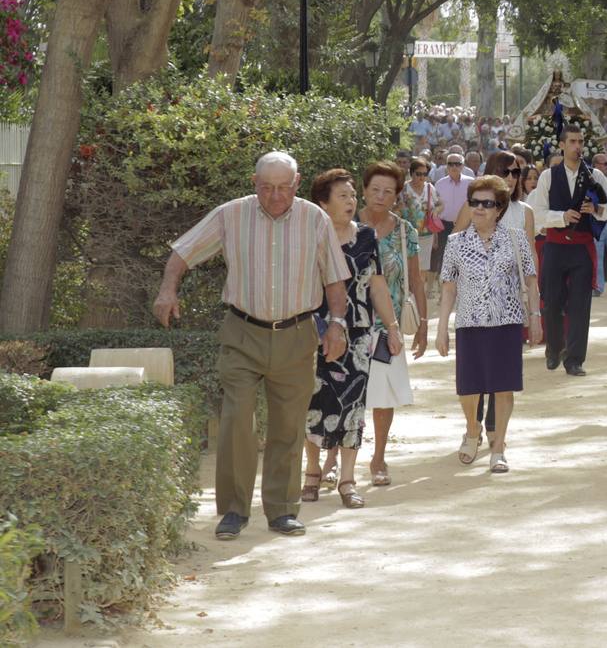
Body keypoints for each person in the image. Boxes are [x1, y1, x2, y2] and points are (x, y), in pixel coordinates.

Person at [154, 151, 349, 540]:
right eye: (266, 188)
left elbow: (334, 278)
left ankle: (282, 510)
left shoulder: (315, 218)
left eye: (284, 188)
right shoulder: (230, 215)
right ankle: (233, 510)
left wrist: (337, 326)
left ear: (296, 184)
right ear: (253, 184)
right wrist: (167, 290)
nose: (275, 196)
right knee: (237, 419)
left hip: (296, 333)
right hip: (243, 332)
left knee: (288, 426)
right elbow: (183, 252)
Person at [301, 169, 401, 511]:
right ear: (322, 203)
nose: (351, 201)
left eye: (352, 195)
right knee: (313, 402)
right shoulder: (311, 238)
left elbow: (377, 285)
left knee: (353, 406)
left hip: (358, 333)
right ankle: (312, 472)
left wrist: (393, 327)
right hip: (316, 331)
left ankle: (347, 479)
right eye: (342, 196)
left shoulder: (367, 236)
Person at [435, 175, 542, 473]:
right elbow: (448, 288)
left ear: (499, 209)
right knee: (468, 388)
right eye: (474, 202)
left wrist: (535, 317)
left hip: (507, 321)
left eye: (487, 204)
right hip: (469, 322)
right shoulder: (455, 243)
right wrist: (441, 329)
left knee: (503, 387)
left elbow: (531, 281)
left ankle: (499, 447)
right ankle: (473, 430)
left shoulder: (516, 239)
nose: (479, 208)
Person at [526, 124, 607, 375]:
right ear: (562, 145)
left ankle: (575, 359)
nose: (577, 146)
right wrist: (562, 217)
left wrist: (598, 210)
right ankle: (554, 349)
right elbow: (537, 214)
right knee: (552, 302)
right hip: (555, 247)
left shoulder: (595, 175)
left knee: (580, 305)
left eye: (580, 141)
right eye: (572, 141)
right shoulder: (548, 176)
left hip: (582, 248)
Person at [360, 161, 428, 487]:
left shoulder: (405, 231)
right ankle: (334, 459)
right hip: (350, 324)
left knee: (384, 395)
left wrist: (423, 325)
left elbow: (415, 279)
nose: (380, 196)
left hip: (389, 328)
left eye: (388, 191)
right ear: (363, 190)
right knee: (344, 392)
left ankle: (379, 457)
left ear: (397, 196)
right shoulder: (342, 226)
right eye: (375, 189)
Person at [432, 152, 474, 274]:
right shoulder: (439, 184)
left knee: (464, 257)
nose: (454, 167)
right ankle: (443, 282)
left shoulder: (471, 183)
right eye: (450, 164)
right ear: (446, 166)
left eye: (457, 164)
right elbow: (435, 206)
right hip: (444, 226)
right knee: (443, 257)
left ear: (462, 166)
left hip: (466, 226)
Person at [402, 157, 442, 273]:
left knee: (423, 269)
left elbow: (440, 204)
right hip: (407, 235)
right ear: (411, 173)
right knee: (408, 269)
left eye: (425, 174)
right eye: (418, 174)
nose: (422, 177)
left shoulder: (430, 187)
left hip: (426, 235)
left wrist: (436, 211)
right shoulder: (403, 188)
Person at [590, 151, 607, 298]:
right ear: (595, 165)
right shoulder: (590, 181)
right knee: (598, 257)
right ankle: (598, 286)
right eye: (605, 164)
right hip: (596, 223)